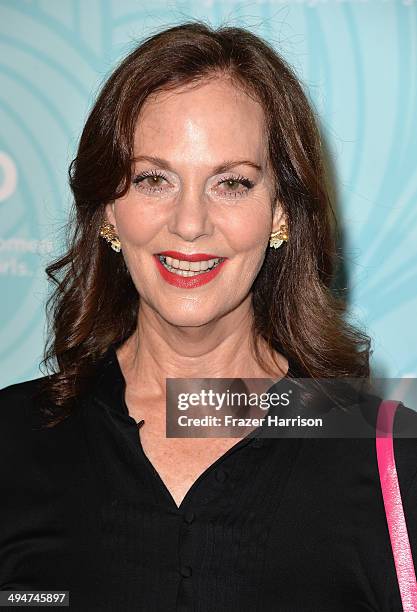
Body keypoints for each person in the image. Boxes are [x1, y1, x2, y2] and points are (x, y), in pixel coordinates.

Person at [1, 20, 416, 612]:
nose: (190, 223)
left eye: (231, 183)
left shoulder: (391, 462)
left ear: (282, 213)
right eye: (154, 179)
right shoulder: (13, 440)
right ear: (107, 213)